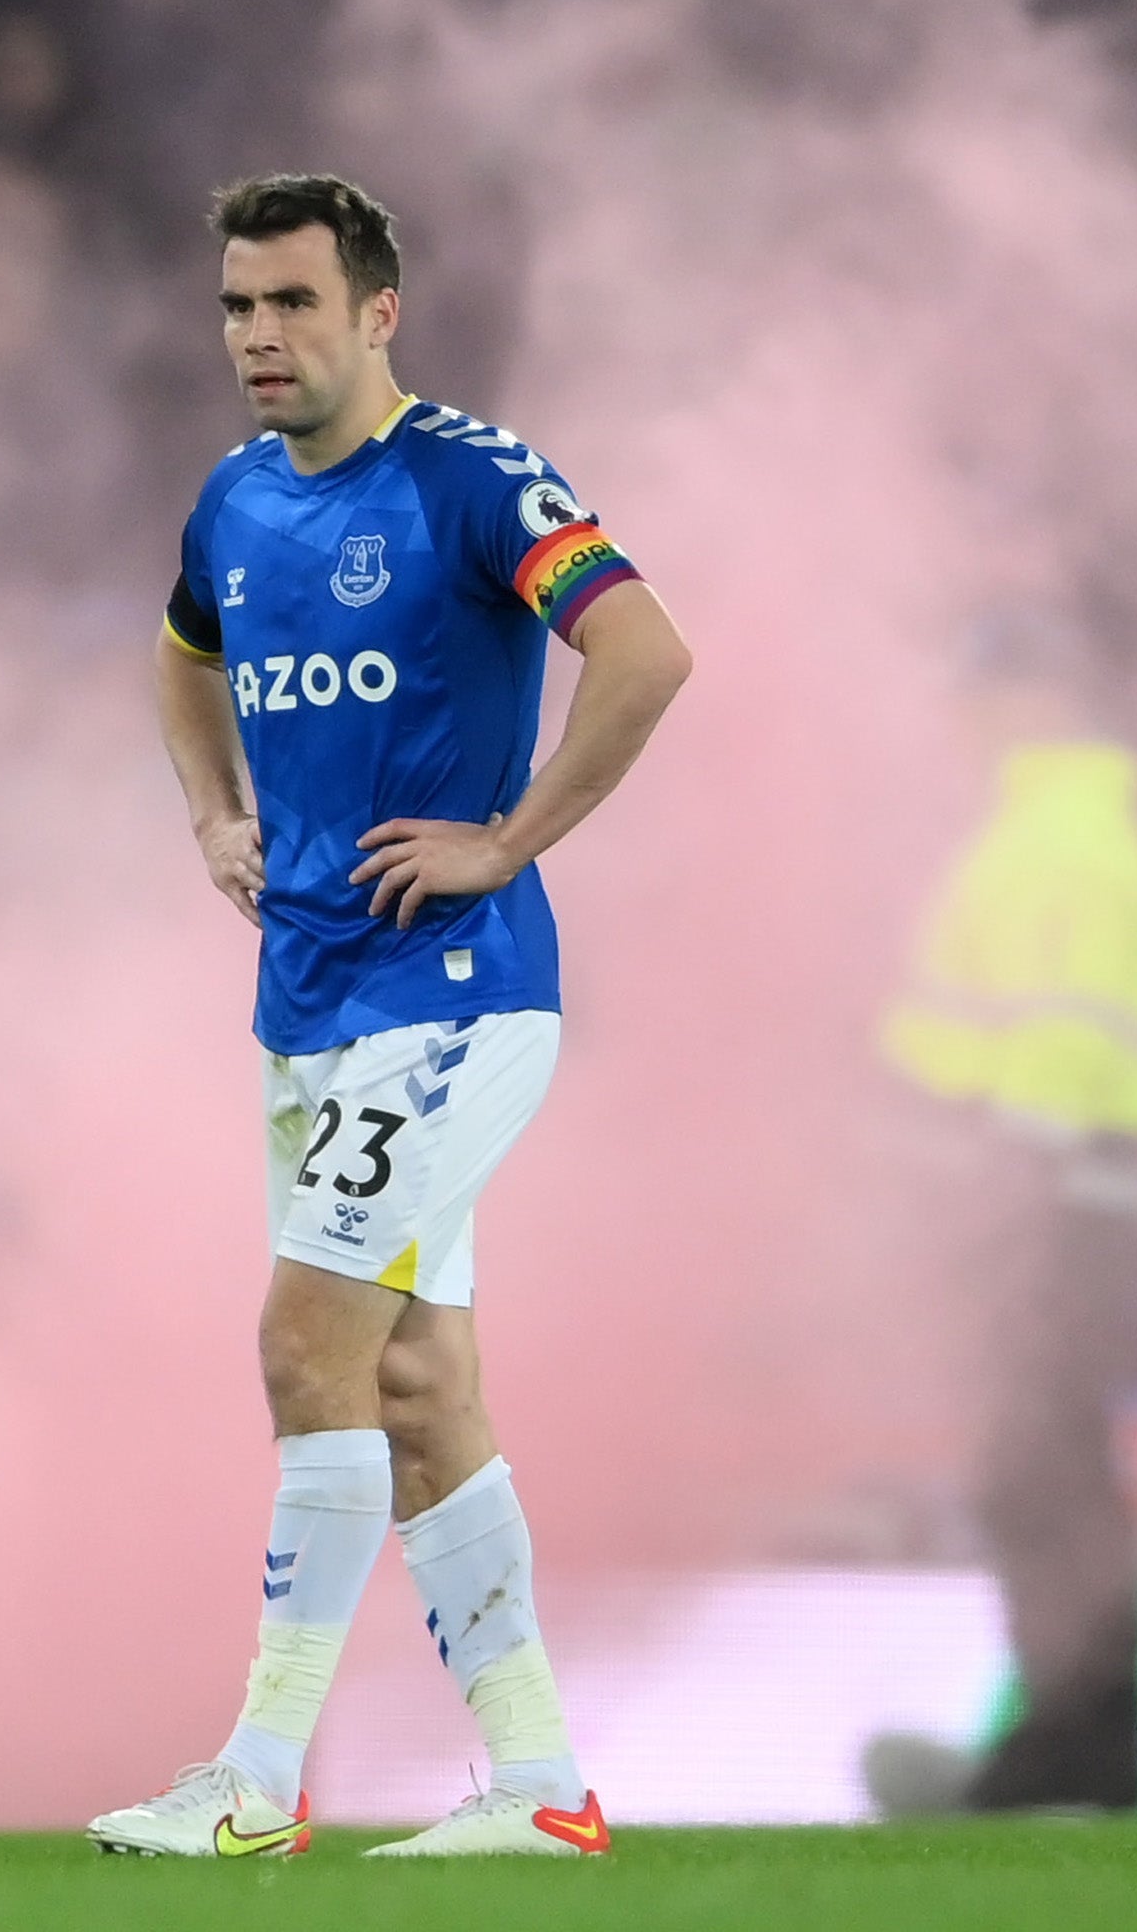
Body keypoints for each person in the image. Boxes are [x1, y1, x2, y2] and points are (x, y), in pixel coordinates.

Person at [85, 175, 693, 1859]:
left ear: (376, 314)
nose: (258, 338)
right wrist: (212, 812)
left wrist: (509, 837)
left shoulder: (472, 480)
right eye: (235, 307)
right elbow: (179, 659)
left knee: (306, 1346)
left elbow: (645, 653)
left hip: (456, 994)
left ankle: (258, 1789)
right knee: (420, 1385)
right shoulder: (230, 504)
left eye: (291, 303)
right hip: (308, 1003)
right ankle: (544, 1788)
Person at [863, 608, 1137, 1816]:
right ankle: (1084, 1738)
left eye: (983, 693)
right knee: (1042, 1477)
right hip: (1059, 1202)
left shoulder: (1062, 841)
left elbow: (1053, 1047)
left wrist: (996, 1194)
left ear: (1037, 699)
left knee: (1041, 1478)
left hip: (1050, 1210)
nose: (964, 719)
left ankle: (1078, 1738)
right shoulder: (1058, 832)